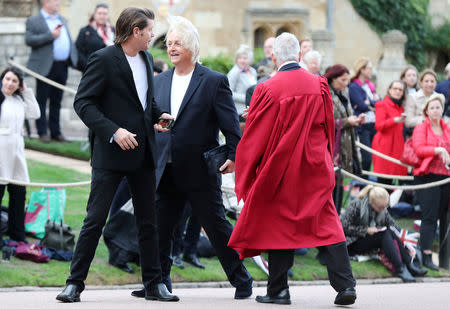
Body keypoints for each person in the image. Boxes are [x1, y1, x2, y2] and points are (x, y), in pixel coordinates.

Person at [56, 7, 178, 303]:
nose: (153, 35)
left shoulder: (147, 59)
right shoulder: (102, 59)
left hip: (143, 155)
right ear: (136, 31)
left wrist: (159, 116)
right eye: (150, 30)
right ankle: (74, 284)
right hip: (110, 156)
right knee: (94, 219)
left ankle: (154, 283)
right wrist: (114, 131)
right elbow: (83, 103)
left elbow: (143, 103)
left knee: (148, 222)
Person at [229, 33, 356, 306]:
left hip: (282, 168)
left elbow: (257, 137)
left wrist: (246, 165)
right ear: (299, 56)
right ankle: (345, 285)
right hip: (315, 166)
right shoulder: (320, 84)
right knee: (328, 223)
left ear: (274, 57)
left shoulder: (267, 89)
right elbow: (328, 127)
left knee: (279, 225)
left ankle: (278, 291)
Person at [131, 16, 253, 300]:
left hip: (200, 170)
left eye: (178, 43)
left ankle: (242, 279)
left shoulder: (213, 81)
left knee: (217, 227)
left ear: (192, 47)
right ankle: (158, 283)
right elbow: (151, 117)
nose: (171, 48)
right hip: (166, 168)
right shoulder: (159, 80)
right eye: (169, 43)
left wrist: (234, 156)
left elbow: (231, 126)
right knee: (161, 229)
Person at [340, 186, 427, 282]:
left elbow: (392, 225)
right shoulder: (356, 205)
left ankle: (408, 265)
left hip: (367, 239)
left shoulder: (382, 209)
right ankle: (399, 269)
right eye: (381, 207)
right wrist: (365, 230)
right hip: (352, 243)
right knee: (384, 234)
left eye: (385, 206)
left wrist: (404, 241)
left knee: (390, 231)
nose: (384, 209)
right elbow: (343, 227)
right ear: (371, 203)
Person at [25, 0, 77, 143]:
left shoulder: (61, 19)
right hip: (45, 67)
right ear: (45, 2)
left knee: (57, 101)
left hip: (62, 66)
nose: (58, 3)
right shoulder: (34, 20)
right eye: (54, 0)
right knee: (42, 100)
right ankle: (42, 132)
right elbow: (29, 39)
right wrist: (50, 36)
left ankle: (56, 132)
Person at [0, 67, 40, 242]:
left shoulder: (18, 100)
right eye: (7, 79)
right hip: (1, 154)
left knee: (18, 195)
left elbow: (35, 113)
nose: (10, 83)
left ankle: (17, 234)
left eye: (14, 81)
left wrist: (27, 91)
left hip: (16, 155)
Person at [412, 93, 450, 271]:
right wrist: (437, 150)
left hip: (445, 177)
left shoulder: (446, 127)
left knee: (443, 216)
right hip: (427, 176)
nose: (435, 110)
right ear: (426, 110)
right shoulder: (421, 127)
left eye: (438, 107)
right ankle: (425, 255)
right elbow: (418, 149)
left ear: (443, 109)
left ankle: (443, 257)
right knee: (429, 217)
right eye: (432, 107)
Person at [324, 64, 362, 214]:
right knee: (331, 180)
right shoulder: (325, 94)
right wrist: (347, 122)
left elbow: (346, 115)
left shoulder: (344, 93)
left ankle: (337, 212)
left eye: (347, 80)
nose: (346, 83)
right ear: (333, 79)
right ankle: (330, 214)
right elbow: (323, 121)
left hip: (345, 141)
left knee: (339, 179)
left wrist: (356, 120)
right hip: (331, 144)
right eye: (343, 80)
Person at [372, 80, 408, 185]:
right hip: (384, 146)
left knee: (401, 181)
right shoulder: (381, 104)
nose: (397, 91)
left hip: (398, 146)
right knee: (384, 181)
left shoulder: (401, 107)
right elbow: (379, 125)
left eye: (400, 90)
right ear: (389, 90)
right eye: (395, 89)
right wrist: (395, 120)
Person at [349, 57, 380, 175]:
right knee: (366, 158)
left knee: (373, 158)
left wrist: (370, 103)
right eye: (369, 68)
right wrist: (372, 104)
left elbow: (379, 102)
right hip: (362, 125)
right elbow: (361, 105)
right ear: (361, 69)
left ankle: (366, 183)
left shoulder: (370, 86)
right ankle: (359, 182)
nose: (371, 71)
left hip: (373, 124)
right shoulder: (354, 86)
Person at [75, 2, 115, 73]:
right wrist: (87, 66)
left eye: (105, 14)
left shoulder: (113, 30)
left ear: (108, 16)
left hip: (110, 71)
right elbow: (78, 51)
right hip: (91, 70)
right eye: (99, 13)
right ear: (94, 15)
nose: (102, 16)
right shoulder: (85, 31)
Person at [227, 44, 257, 128]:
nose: (242, 60)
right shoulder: (234, 72)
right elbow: (229, 92)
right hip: (240, 112)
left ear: (250, 59)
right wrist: (247, 98)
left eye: (245, 58)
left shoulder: (252, 71)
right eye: (239, 58)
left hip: (251, 109)